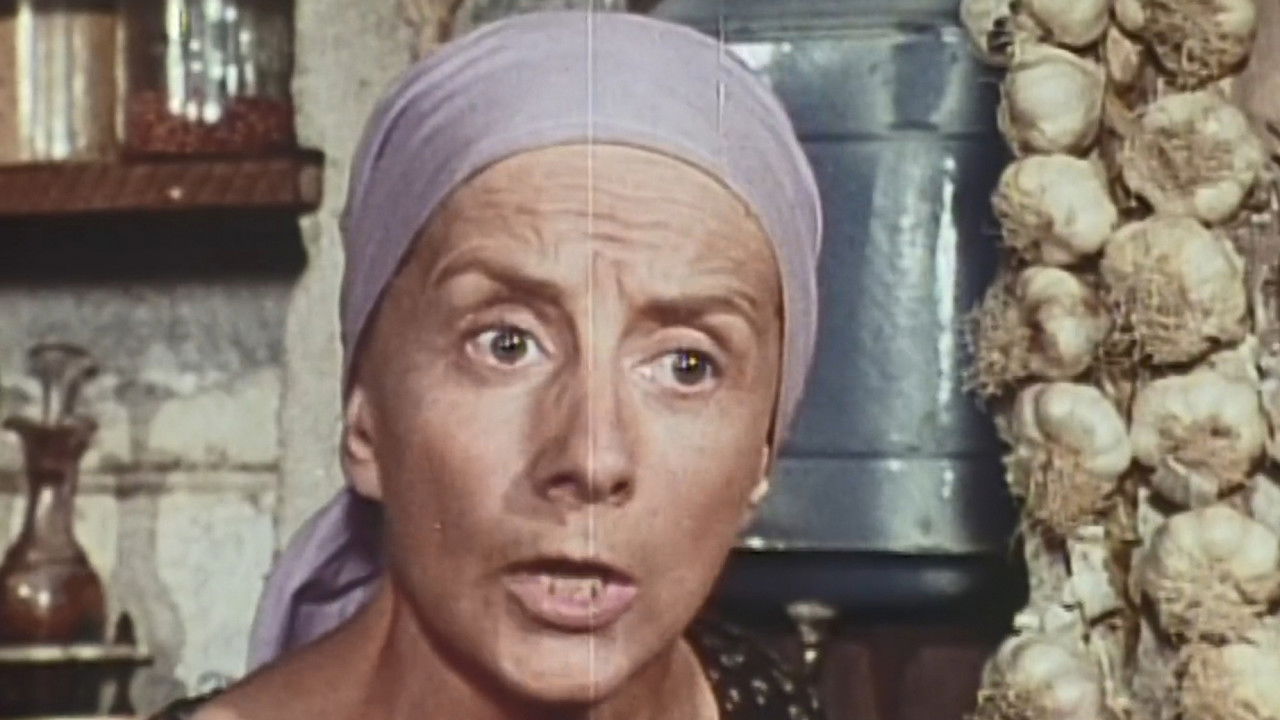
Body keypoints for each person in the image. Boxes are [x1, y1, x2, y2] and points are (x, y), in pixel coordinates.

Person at [155, 8, 824, 720]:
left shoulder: (767, 701)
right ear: (366, 419)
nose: (591, 458)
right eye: (507, 344)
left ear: (762, 456)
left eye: (687, 366)